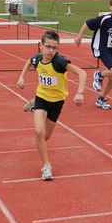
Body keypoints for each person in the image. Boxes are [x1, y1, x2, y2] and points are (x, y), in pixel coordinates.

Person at [17, 30, 87, 180]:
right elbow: (29, 61)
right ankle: (46, 166)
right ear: (41, 46)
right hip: (41, 98)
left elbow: (82, 73)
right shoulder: (37, 59)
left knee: (46, 137)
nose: (51, 51)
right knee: (39, 132)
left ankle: (34, 108)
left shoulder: (60, 62)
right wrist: (21, 78)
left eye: (55, 48)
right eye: (48, 47)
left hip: (57, 102)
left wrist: (80, 92)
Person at [74, 0, 112, 110]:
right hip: (102, 48)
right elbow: (87, 23)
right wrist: (79, 37)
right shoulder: (104, 19)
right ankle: (99, 74)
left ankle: (100, 99)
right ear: (111, 7)